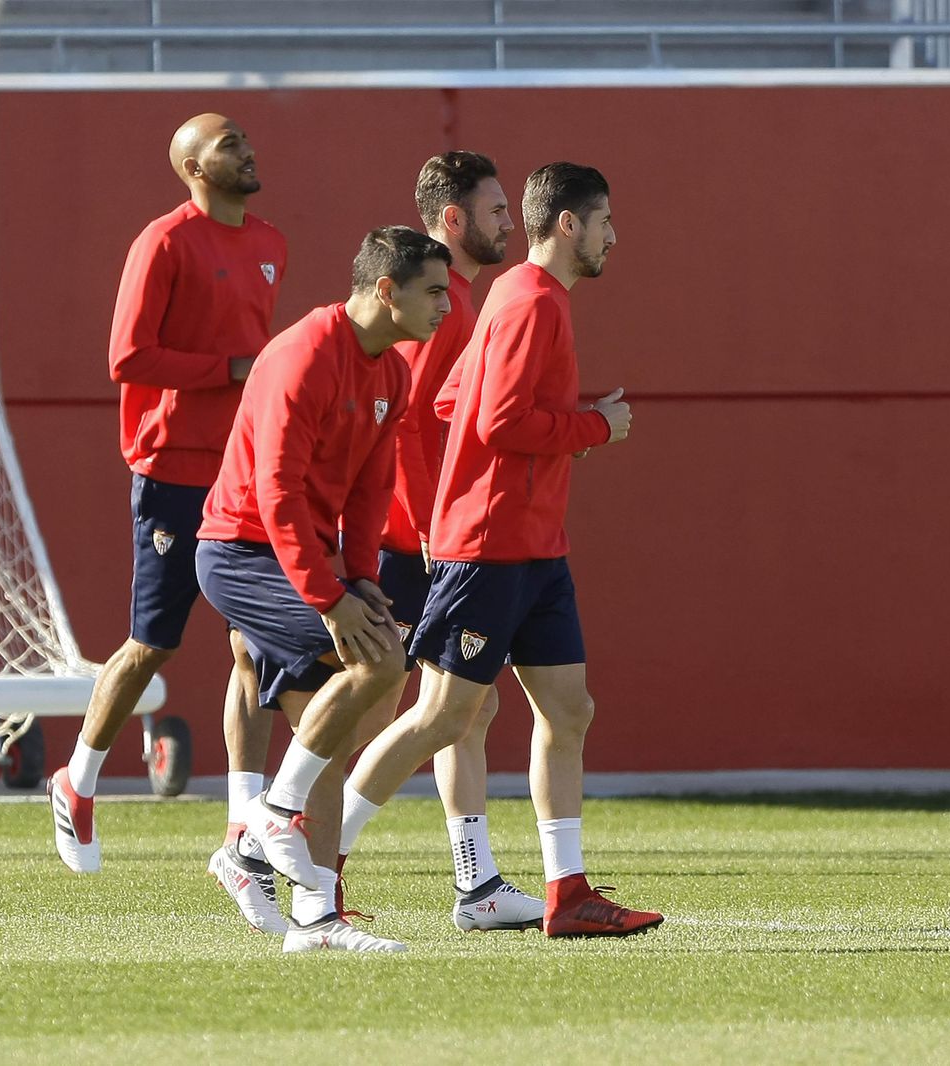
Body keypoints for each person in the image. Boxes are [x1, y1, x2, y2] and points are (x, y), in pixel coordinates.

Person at [335, 163, 663, 938]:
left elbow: (457, 400)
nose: (615, 236)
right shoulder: (531, 302)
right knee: (441, 717)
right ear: (569, 225)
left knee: (569, 710)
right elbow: (497, 421)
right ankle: (317, 850)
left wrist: (557, 434)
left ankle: (567, 892)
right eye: (605, 221)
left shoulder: (518, 295)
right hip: (488, 550)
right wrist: (593, 427)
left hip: (536, 546)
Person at [292, 152, 545, 932]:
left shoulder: (457, 302)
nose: (509, 224)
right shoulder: (448, 307)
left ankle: (475, 882)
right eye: (496, 211)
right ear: (453, 219)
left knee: (467, 707)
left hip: (420, 536)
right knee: (380, 712)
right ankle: (297, 861)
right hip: (415, 544)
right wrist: (433, 522)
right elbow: (403, 423)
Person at [195, 226, 453, 954]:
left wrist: (362, 578)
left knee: (328, 734)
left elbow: (372, 486)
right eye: (433, 291)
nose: (445, 306)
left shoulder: (393, 372)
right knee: (382, 662)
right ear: (386, 291)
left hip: (300, 556)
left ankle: (313, 918)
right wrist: (329, 598)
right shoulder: (304, 355)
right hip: (241, 553)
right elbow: (274, 492)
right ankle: (268, 821)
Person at [48, 115, 282, 901]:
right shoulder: (164, 242)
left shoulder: (270, 242)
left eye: (244, 138)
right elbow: (128, 356)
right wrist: (230, 368)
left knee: (254, 646)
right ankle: (77, 782)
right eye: (228, 143)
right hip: (172, 468)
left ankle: (243, 825)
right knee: (153, 645)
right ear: (192, 166)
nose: (246, 149)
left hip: (244, 470)